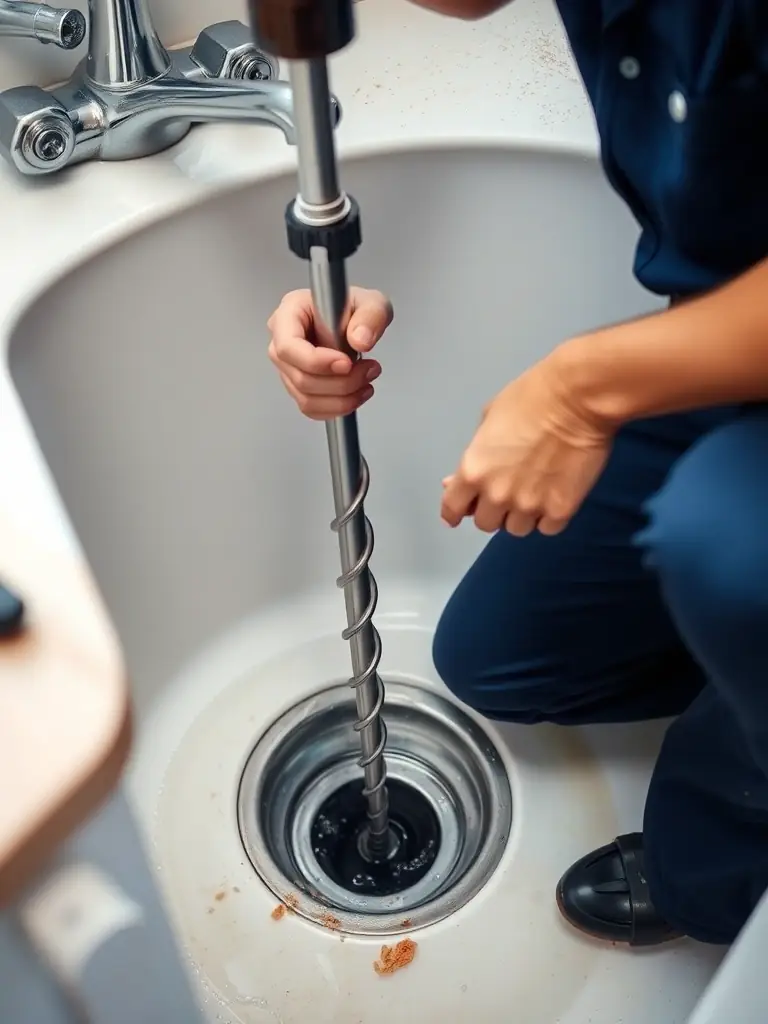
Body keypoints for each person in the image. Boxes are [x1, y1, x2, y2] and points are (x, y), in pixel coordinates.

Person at [266, 0, 768, 948]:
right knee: (496, 660)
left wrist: (581, 392)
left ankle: (719, 867)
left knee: (724, 545)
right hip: (736, 364)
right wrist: (340, 287)